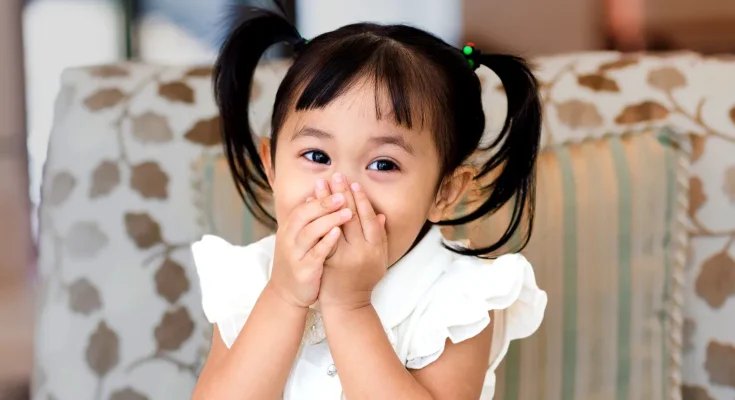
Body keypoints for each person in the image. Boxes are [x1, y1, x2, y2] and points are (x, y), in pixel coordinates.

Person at [191, 5, 547, 399]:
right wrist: (284, 297)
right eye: (317, 156)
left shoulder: (457, 298)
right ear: (272, 167)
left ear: (444, 193)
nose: (341, 189)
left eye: (383, 164)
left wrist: (350, 307)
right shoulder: (250, 278)